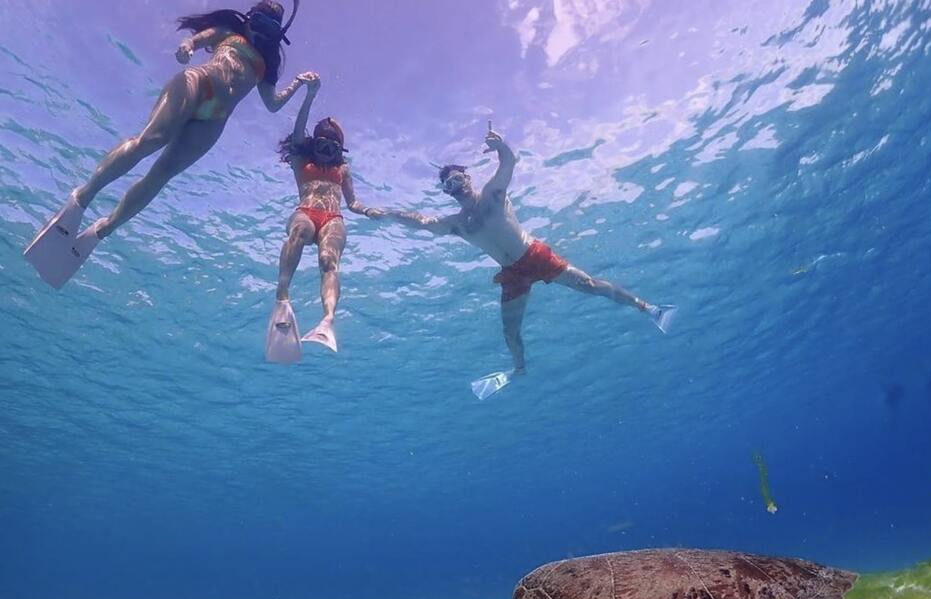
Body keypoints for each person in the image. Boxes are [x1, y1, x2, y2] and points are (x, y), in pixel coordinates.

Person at [24, 0, 317, 289]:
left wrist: (301, 86)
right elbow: (200, 38)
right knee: (148, 141)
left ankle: (103, 229)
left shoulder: (267, 66)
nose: (261, 32)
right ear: (249, 18)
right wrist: (188, 46)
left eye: (270, 28)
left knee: (162, 174)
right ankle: (81, 199)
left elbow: (273, 104)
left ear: (277, 34)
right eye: (259, 22)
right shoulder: (228, 32)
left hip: (216, 118)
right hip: (198, 83)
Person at [367, 124, 676, 397]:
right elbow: (422, 222)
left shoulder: (492, 194)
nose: (456, 186)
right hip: (512, 273)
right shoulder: (457, 224)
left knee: (590, 285)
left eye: (458, 178)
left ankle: (649, 308)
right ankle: (518, 370)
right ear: (446, 193)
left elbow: (508, 163)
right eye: (449, 185)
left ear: (468, 177)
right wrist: (388, 214)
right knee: (510, 331)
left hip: (535, 255)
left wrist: (500, 146)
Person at [264, 79, 371, 363]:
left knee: (328, 260)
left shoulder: (343, 169)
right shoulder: (301, 159)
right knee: (300, 230)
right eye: (321, 144)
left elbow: (352, 203)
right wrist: (310, 95)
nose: (325, 152)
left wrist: (369, 211)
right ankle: (282, 296)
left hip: (333, 217)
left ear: (340, 149)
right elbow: (299, 129)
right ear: (314, 143)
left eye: (332, 147)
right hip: (306, 211)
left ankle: (327, 321)